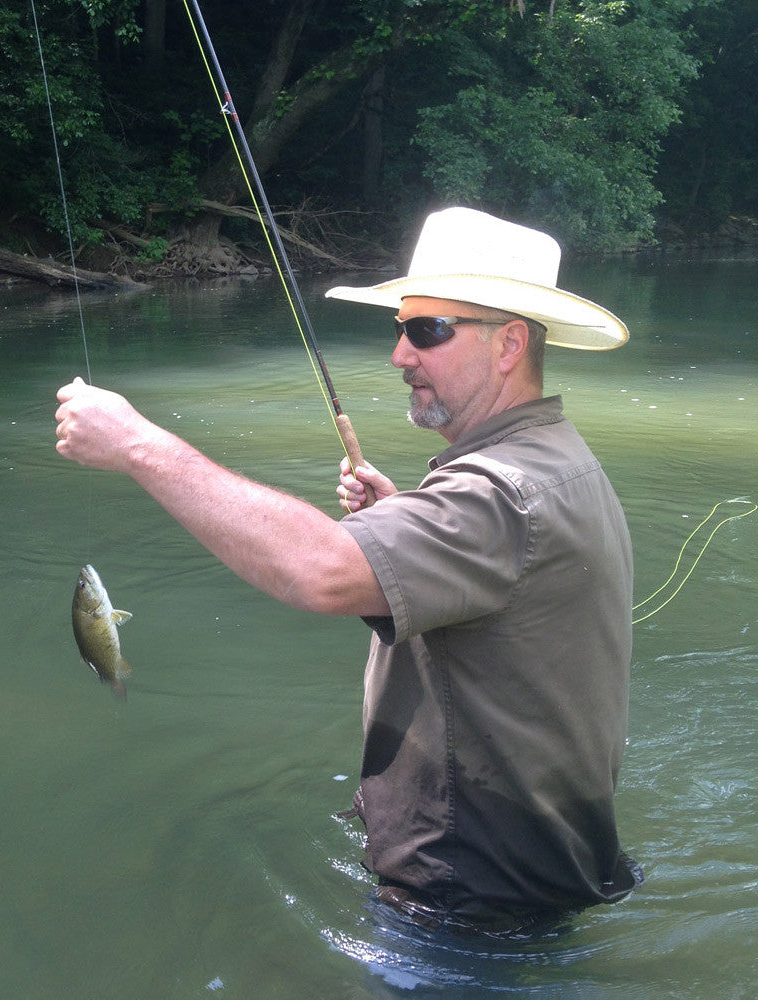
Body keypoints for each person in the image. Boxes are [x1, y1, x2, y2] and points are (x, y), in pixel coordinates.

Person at [54, 207, 642, 934]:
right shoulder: (553, 460)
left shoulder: (498, 494)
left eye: (427, 330)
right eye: (400, 328)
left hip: (470, 904)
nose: (400, 355)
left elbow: (321, 572)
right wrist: (409, 522)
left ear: (509, 344)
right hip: (536, 867)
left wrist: (140, 445)